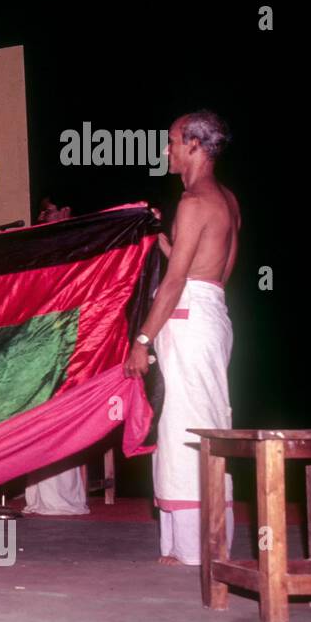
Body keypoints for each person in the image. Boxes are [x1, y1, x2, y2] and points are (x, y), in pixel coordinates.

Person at [124, 110, 239, 566]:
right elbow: (207, 273)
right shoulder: (226, 199)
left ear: (194, 144)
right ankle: (188, 545)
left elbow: (174, 283)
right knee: (200, 423)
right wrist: (159, 233)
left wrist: (143, 340)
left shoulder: (194, 203)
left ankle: (195, 550)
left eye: (172, 141)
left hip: (188, 320)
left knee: (187, 429)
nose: (166, 150)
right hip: (209, 315)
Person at [22, 195, 91, 515]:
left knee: (58, 414)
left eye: (48, 211)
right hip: (41, 340)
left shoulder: (80, 245)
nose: (41, 216)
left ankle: (63, 499)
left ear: (67, 209)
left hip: (67, 342)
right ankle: (40, 497)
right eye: (41, 211)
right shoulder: (47, 245)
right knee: (37, 413)